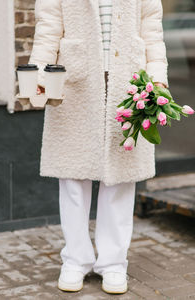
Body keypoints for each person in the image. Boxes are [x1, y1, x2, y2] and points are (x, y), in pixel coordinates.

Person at [29, 0, 168, 294]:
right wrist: (39, 74)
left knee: (121, 176)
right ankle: (75, 260)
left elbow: (151, 28)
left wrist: (157, 80)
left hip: (129, 82)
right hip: (73, 81)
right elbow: (49, 26)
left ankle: (114, 263)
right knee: (72, 174)